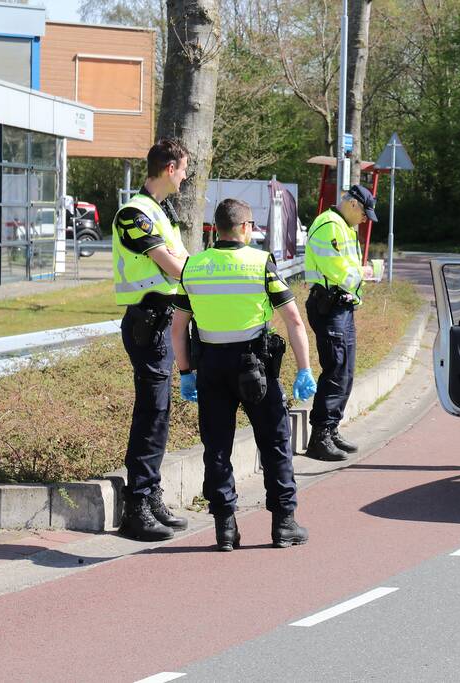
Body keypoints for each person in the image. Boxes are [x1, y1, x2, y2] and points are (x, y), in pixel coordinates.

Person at [171, 198, 317, 552]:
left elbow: (178, 328)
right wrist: (304, 368)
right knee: (274, 442)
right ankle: (283, 523)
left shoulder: (193, 266)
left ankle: (225, 528)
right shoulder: (260, 264)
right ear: (246, 228)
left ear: (215, 229)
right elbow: (294, 320)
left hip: (210, 368)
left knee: (217, 447)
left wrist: (186, 372)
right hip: (256, 366)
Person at [112, 138, 191, 542]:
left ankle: (150, 494)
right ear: (168, 167)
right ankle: (136, 507)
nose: (185, 176)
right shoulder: (134, 213)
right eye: (182, 169)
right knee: (150, 413)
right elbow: (175, 267)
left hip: (161, 322)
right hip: (146, 322)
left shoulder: (162, 213)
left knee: (159, 414)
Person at [303, 184, 382, 461]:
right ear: (352, 205)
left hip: (342, 306)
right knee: (335, 370)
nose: (364, 220)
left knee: (345, 371)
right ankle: (320, 437)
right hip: (329, 305)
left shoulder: (344, 226)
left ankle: (332, 428)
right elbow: (338, 271)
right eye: (364, 214)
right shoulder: (329, 225)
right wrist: (368, 272)